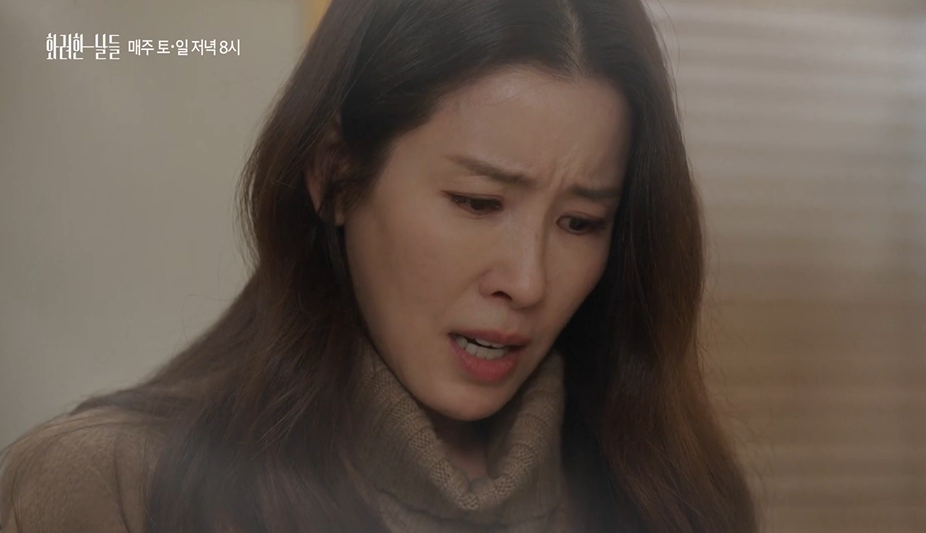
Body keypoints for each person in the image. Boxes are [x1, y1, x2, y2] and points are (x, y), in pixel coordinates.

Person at [0, 0, 759, 531]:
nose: (527, 281)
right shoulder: (108, 489)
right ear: (334, 172)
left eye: (581, 222)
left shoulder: (675, 497)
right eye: (477, 202)